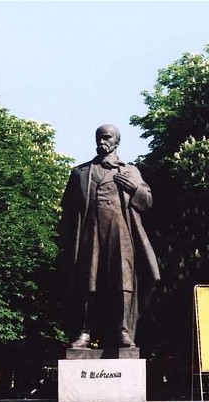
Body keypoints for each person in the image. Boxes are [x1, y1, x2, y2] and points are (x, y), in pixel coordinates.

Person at [58, 124, 160, 349]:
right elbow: (67, 211)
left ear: (116, 141)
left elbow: (148, 202)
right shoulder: (80, 172)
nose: (102, 142)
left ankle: (123, 330)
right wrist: (65, 243)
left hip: (120, 233)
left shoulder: (130, 171)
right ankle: (84, 331)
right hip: (90, 234)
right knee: (88, 282)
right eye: (99, 138)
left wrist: (135, 189)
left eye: (106, 137)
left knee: (122, 282)